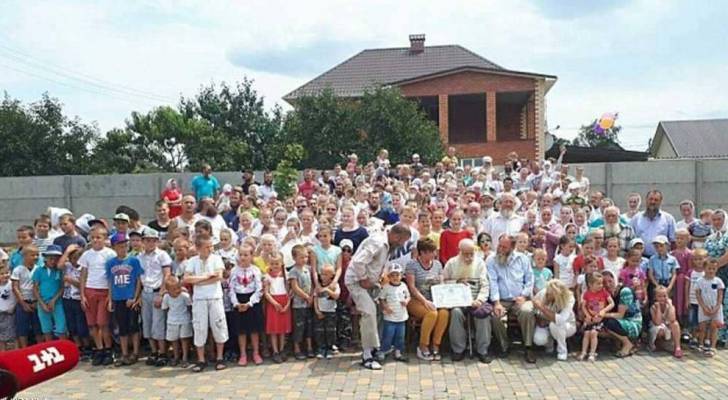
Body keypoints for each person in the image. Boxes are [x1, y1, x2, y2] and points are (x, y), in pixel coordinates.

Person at [344, 224, 411, 370]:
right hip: (356, 281)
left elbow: (375, 263)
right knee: (369, 312)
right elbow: (358, 261)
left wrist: (377, 277)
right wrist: (363, 279)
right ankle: (367, 356)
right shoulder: (378, 242)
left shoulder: (388, 244)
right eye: (402, 241)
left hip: (370, 282)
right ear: (396, 236)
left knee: (380, 312)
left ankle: (376, 347)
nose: (402, 245)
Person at [182, 234, 229, 372]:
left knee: (218, 325)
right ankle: (201, 359)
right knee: (200, 327)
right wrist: (207, 276)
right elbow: (187, 279)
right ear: (198, 248)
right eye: (207, 247)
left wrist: (199, 280)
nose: (210, 249)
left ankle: (220, 357)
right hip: (199, 298)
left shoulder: (216, 259)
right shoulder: (192, 261)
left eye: (211, 246)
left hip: (214, 297)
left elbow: (218, 277)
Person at [488, 235, 537, 363]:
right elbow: (492, 282)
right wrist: (497, 303)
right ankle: (504, 346)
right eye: (499, 246)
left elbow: (530, 279)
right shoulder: (491, 260)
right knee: (496, 316)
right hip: (502, 300)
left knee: (527, 311)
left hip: (520, 298)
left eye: (504, 247)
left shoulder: (523, 259)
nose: (500, 249)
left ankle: (528, 346)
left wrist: (524, 296)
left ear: (513, 247)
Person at [443, 239, 492, 363]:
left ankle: (482, 350)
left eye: (472, 254)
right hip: (458, 300)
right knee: (456, 313)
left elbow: (485, 285)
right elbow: (443, 282)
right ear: (459, 252)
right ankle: (458, 349)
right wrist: (456, 282)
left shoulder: (480, 263)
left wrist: (480, 300)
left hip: (476, 298)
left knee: (483, 315)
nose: (469, 257)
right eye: (466, 254)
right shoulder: (451, 263)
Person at [405, 238, 448, 361]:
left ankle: (436, 344)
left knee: (444, 313)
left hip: (435, 298)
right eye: (430, 252)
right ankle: (423, 345)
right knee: (432, 313)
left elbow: (441, 282)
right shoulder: (412, 265)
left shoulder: (438, 264)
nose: (433, 254)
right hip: (416, 300)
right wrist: (424, 301)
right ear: (422, 252)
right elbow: (412, 287)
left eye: (434, 251)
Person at [79, 226, 116, 366]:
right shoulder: (87, 255)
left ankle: (108, 349)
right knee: (92, 324)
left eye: (98, 237)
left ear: (104, 238)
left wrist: (110, 296)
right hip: (90, 291)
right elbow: (83, 275)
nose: (95, 240)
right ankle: (99, 349)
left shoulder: (110, 254)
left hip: (104, 291)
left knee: (103, 323)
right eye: (93, 237)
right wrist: (82, 295)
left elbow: (112, 277)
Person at [105, 233, 143, 366]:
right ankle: (124, 352)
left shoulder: (134, 261)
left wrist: (135, 297)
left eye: (125, 245)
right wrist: (110, 299)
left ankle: (136, 352)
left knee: (134, 326)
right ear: (114, 247)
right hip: (118, 298)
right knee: (122, 327)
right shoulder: (110, 263)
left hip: (130, 298)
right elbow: (110, 282)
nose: (123, 248)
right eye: (119, 246)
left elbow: (138, 280)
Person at [138, 228, 173, 367]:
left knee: (158, 324)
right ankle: (154, 351)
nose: (150, 243)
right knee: (147, 323)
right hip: (145, 291)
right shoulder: (139, 257)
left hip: (157, 291)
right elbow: (138, 277)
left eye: (153, 240)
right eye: (147, 240)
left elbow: (167, 275)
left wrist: (161, 293)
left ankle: (163, 352)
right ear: (143, 241)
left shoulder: (162, 255)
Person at [229, 244, 264, 366]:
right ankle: (243, 354)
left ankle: (255, 353)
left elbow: (259, 289)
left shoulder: (255, 270)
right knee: (241, 330)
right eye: (241, 255)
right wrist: (236, 303)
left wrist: (250, 303)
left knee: (254, 330)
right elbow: (231, 289)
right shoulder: (234, 271)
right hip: (239, 300)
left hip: (252, 302)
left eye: (246, 255)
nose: (243, 257)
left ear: (251, 256)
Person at [532, 279, 576, 361]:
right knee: (538, 340)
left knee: (556, 324)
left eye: (550, 294)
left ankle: (562, 351)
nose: (547, 295)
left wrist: (542, 308)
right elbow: (534, 308)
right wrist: (539, 319)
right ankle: (549, 344)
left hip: (567, 325)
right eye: (548, 293)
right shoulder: (543, 292)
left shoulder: (569, 298)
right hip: (544, 322)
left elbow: (561, 320)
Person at [603, 270, 643, 357]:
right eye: (604, 282)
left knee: (608, 322)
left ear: (615, 279)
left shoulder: (625, 291)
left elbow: (620, 315)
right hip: (622, 321)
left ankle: (627, 344)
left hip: (633, 323)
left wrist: (602, 314)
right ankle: (619, 343)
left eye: (610, 281)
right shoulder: (609, 295)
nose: (608, 284)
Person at [33, 244, 66, 342]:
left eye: (56, 259)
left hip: (57, 302)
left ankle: (62, 349)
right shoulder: (39, 270)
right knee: (46, 329)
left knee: (61, 328)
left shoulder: (60, 271)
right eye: (50, 258)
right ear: (45, 258)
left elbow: (62, 287)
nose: (53, 261)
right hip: (42, 302)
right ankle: (49, 348)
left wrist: (54, 300)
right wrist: (42, 303)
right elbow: (35, 288)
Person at [578, 271, 614, 362]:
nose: (601, 285)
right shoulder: (587, 293)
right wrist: (587, 315)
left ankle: (592, 353)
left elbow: (611, 303)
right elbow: (583, 306)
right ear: (590, 284)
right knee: (586, 334)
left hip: (599, 318)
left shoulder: (604, 292)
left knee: (594, 333)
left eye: (601, 283)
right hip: (590, 318)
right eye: (598, 284)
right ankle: (583, 352)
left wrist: (603, 311)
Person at [378, 263, 409, 362]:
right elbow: (381, 299)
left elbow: (408, 296)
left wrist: (406, 301)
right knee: (388, 335)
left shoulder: (403, 286)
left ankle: (398, 352)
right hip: (390, 317)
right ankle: (383, 350)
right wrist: (386, 307)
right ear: (389, 277)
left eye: (397, 275)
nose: (395, 277)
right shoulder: (386, 287)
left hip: (401, 316)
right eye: (392, 275)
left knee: (400, 336)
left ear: (401, 275)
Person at [631, 190, 676, 257]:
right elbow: (631, 240)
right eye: (651, 199)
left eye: (656, 200)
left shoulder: (668, 219)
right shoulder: (636, 219)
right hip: (640, 259)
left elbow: (673, 241)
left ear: (660, 202)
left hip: (661, 259)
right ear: (646, 200)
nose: (653, 202)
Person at [288, 244, 315, 360]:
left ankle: (309, 347)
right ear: (294, 258)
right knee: (299, 326)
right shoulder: (293, 271)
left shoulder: (308, 269)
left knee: (309, 326)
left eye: (306, 257)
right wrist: (306, 297)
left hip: (308, 303)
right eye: (301, 257)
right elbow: (295, 287)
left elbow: (312, 284)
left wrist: (312, 296)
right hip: (298, 304)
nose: (304, 259)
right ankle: (297, 348)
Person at [263, 253, 291, 363]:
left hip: (284, 302)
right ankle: (275, 351)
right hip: (273, 303)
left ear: (282, 263)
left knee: (282, 329)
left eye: (277, 263)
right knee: (274, 329)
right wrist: (275, 303)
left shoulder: (285, 275)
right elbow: (266, 293)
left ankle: (282, 349)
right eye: (272, 264)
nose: (274, 266)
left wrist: (287, 304)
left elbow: (290, 292)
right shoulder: (267, 276)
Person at [161, 276, 192, 368]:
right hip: (172, 321)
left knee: (184, 338)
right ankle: (176, 356)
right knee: (174, 339)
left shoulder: (184, 296)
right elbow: (165, 308)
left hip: (184, 319)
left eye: (178, 287)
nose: (177, 290)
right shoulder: (166, 297)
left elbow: (189, 306)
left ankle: (185, 357)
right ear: (168, 290)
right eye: (174, 289)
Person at [696, 258, 724, 357]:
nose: (711, 271)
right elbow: (698, 295)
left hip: (715, 307)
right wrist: (703, 307)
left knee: (714, 326)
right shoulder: (700, 281)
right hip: (704, 307)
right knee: (702, 327)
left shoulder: (718, 281)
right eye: (709, 268)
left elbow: (720, 295)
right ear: (704, 268)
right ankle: (701, 344)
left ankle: (712, 346)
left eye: (713, 268)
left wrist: (716, 307)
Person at [649, 285, 683, 358]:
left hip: (667, 326)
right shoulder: (653, 307)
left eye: (664, 296)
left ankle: (677, 347)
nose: (662, 298)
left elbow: (672, 319)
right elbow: (657, 322)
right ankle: (658, 344)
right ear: (655, 297)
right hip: (657, 327)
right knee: (660, 330)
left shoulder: (670, 306)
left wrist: (670, 305)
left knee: (675, 324)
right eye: (659, 296)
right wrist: (658, 308)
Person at [314, 264, 340, 359]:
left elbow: (336, 296)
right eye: (322, 274)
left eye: (325, 274)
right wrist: (317, 310)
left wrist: (327, 290)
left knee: (330, 331)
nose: (322, 276)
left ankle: (330, 348)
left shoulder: (335, 286)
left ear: (331, 276)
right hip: (320, 312)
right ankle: (321, 348)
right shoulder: (318, 286)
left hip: (331, 312)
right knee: (319, 330)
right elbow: (315, 298)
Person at [687, 249, 707, 349]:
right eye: (696, 259)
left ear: (705, 259)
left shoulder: (706, 272)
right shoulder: (691, 272)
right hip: (693, 300)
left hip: (703, 302)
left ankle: (703, 339)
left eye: (701, 259)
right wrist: (687, 299)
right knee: (693, 320)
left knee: (703, 321)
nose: (699, 261)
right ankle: (694, 338)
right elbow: (687, 286)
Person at [0, 264, 17, 351]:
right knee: (1, 338)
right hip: (1, 313)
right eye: (2, 274)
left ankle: (15, 353)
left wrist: (13, 307)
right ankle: (2, 355)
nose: (5, 275)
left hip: (10, 313)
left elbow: (16, 297)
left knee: (13, 335)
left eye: (7, 273)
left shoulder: (11, 284)